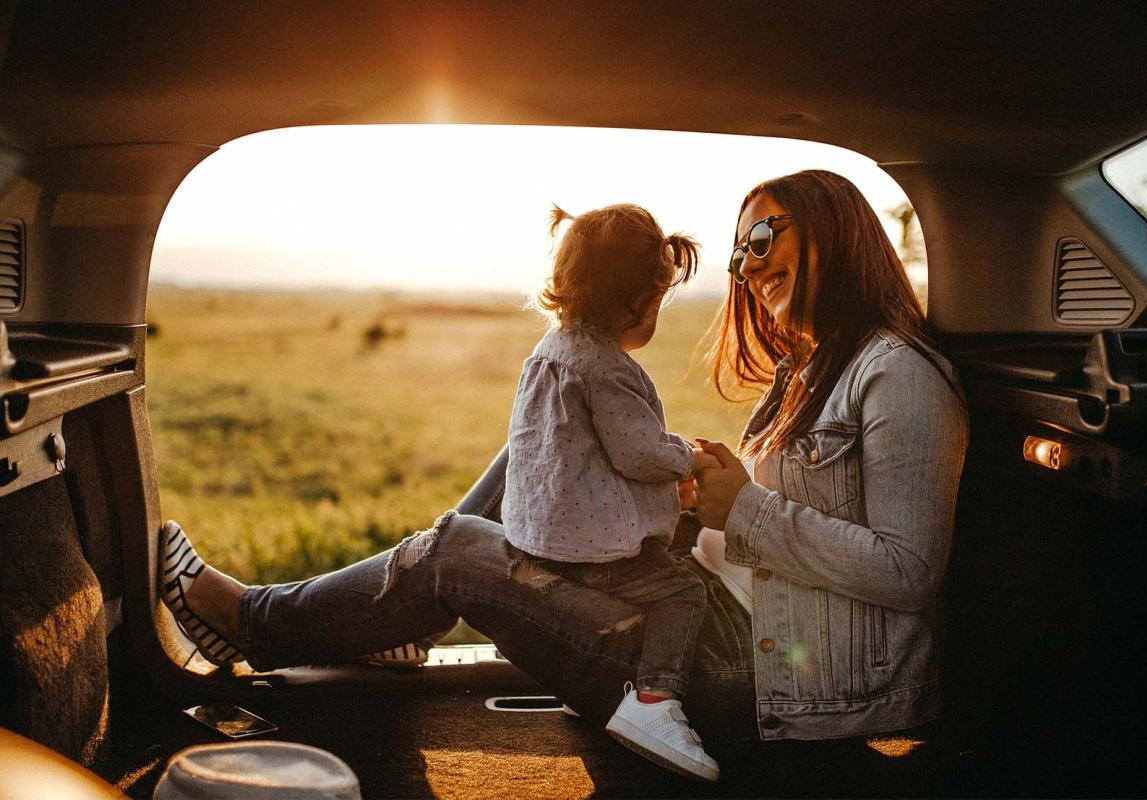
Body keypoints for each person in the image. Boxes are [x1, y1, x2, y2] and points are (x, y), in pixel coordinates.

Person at [159, 169, 967, 775]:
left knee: (455, 553)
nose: (747, 265)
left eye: (764, 239)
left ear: (839, 229)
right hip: (724, 621)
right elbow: (763, 528)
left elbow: (909, 571)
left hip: (748, 679)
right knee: (538, 448)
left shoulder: (898, 373)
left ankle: (252, 621)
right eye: (739, 250)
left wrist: (744, 509)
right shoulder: (815, 370)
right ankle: (412, 618)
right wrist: (702, 498)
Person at [501, 203, 715, 780]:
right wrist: (687, 457)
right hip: (595, 558)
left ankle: (590, 685)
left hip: (542, 543)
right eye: (658, 301)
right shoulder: (608, 368)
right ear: (637, 303)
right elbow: (639, 454)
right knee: (681, 593)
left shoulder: (547, 355)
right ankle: (654, 701)